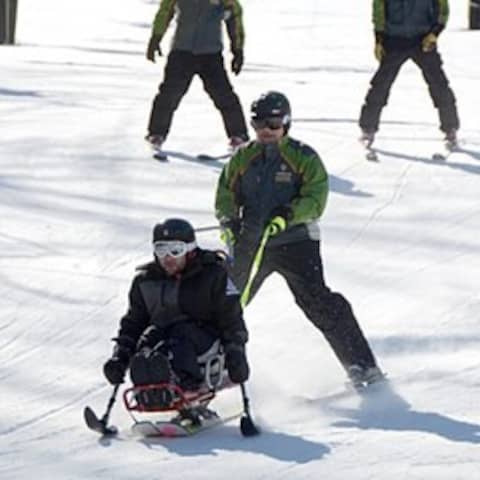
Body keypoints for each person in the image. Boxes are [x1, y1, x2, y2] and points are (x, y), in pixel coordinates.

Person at [215, 91, 384, 390]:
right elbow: (226, 193)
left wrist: (289, 214)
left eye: (274, 122)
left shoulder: (302, 156)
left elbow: (316, 199)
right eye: (258, 123)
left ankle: (362, 365)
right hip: (252, 241)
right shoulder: (243, 157)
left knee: (317, 301)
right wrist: (228, 222)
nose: (266, 130)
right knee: (225, 301)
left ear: (286, 123)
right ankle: (205, 370)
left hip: (296, 241)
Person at [103, 218, 250, 404]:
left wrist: (236, 352)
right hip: (166, 343)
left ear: (190, 251)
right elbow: (133, 323)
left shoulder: (213, 275)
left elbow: (231, 317)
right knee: (148, 341)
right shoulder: (145, 282)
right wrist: (120, 357)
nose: (167, 258)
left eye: (175, 250)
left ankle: (187, 387)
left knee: (181, 334)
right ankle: (150, 390)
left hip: (207, 349)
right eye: (161, 250)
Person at [144, 0, 249, 151]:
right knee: (168, 94)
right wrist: (156, 38)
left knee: (224, 96)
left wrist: (237, 50)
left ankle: (238, 136)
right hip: (181, 51)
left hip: (210, 54)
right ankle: (156, 134)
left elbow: (235, 16)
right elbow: (165, 11)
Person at [359, 0, 459, 147]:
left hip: (423, 39)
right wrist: (379, 38)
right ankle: (368, 129)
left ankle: (450, 128)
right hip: (394, 39)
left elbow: (443, 8)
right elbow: (379, 7)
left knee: (439, 84)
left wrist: (435, 32)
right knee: (380, 85)